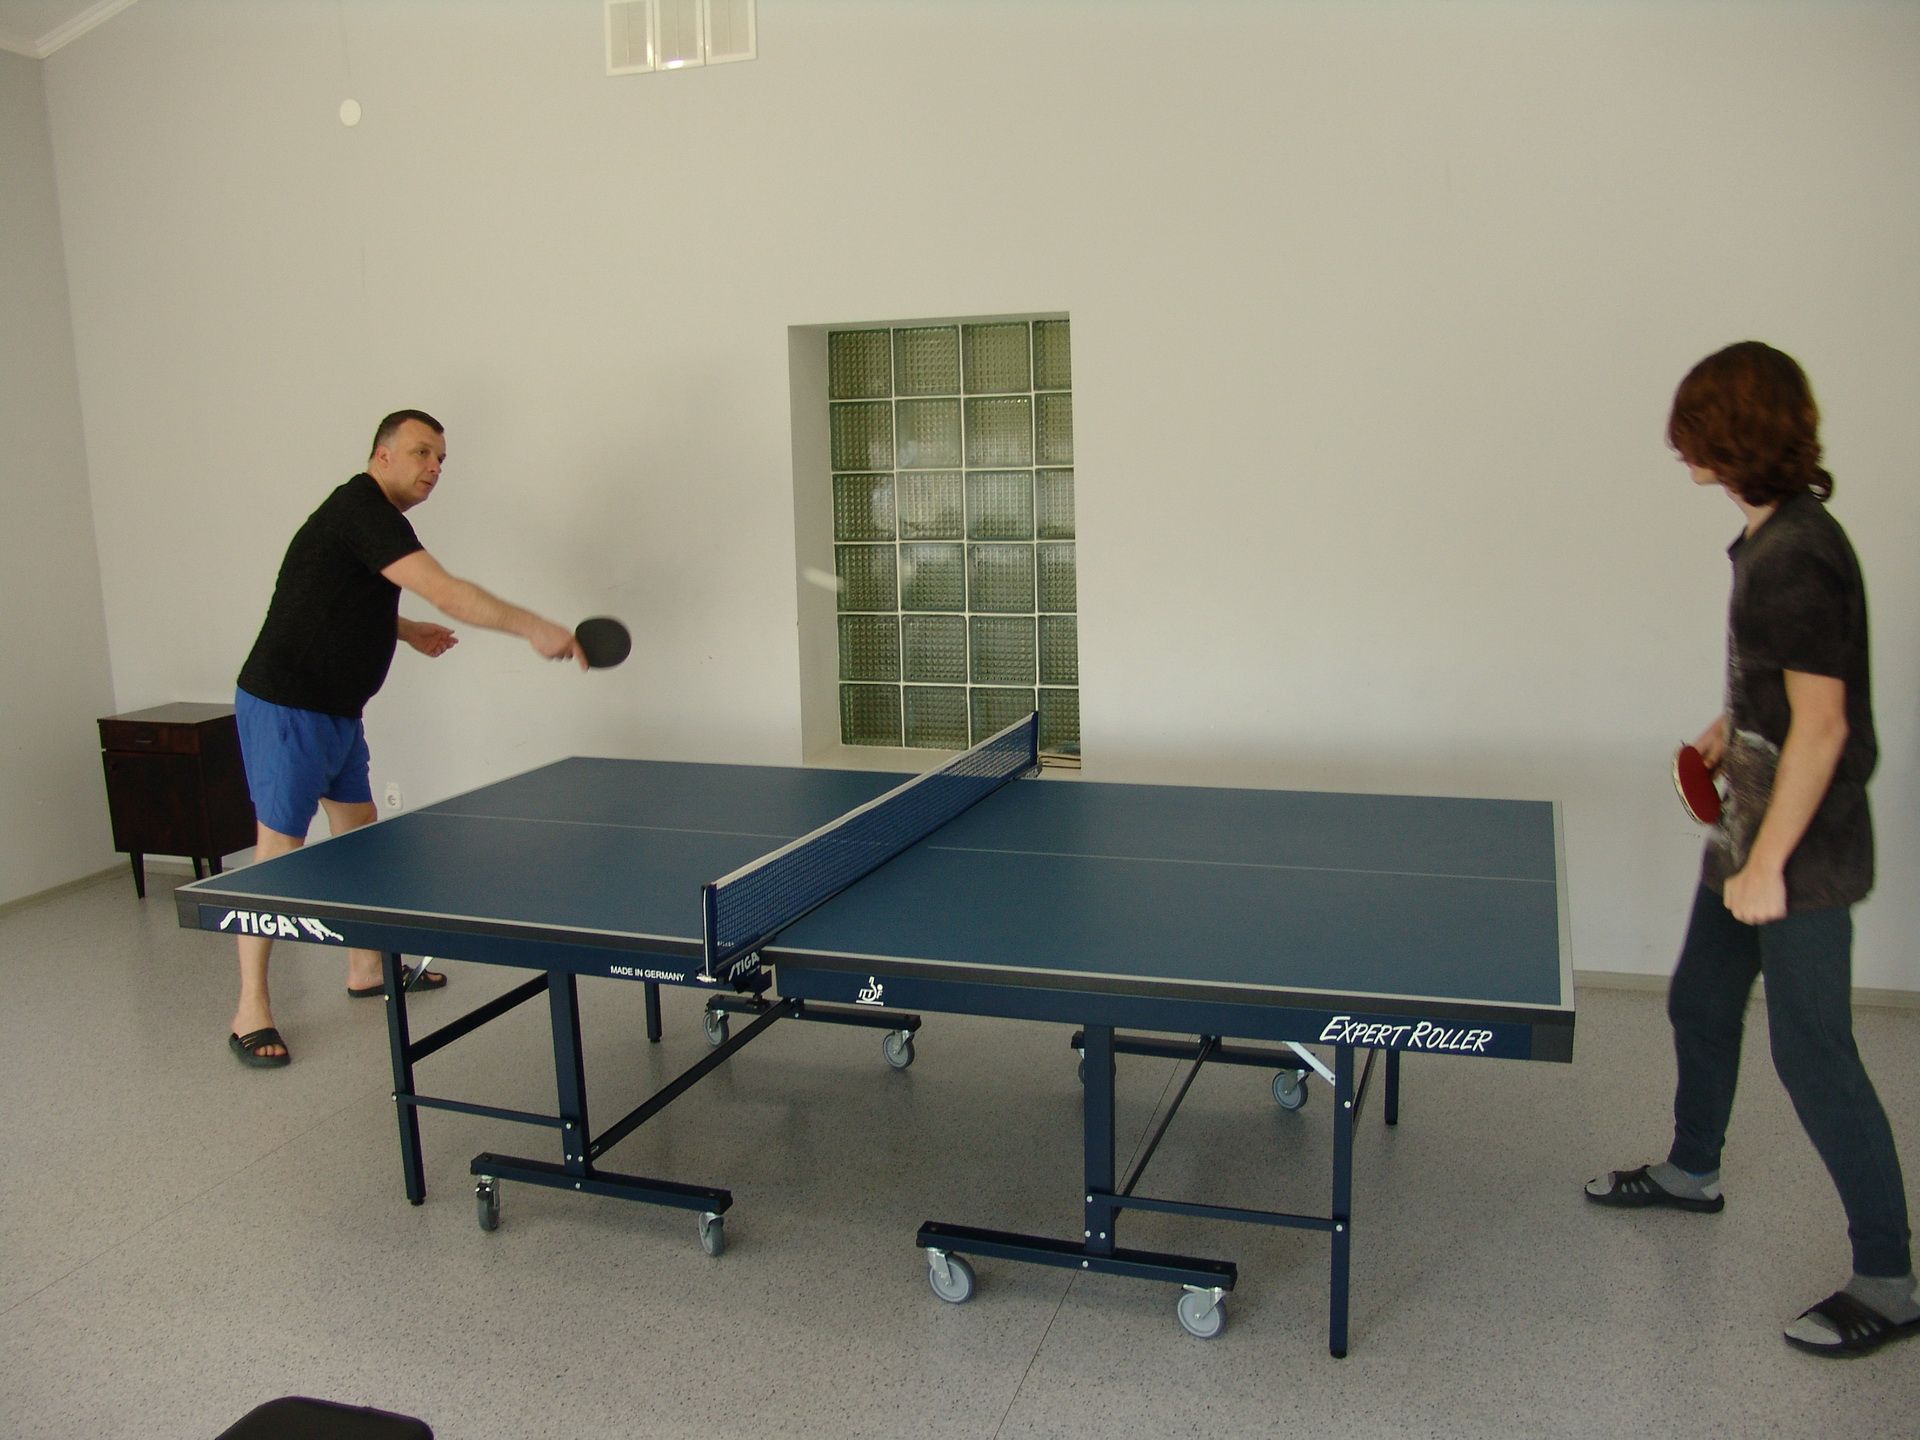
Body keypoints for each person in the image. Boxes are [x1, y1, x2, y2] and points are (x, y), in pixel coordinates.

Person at [1585, 343, 1916, 1356]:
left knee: (1815, 1054)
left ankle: (1892, 1280)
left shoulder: (1798, 555)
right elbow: (1788, 691)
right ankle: (1694, 1171)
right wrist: (1730, 730)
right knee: (1699, 1000)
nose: (1680, 442)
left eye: (1696, 425)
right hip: (1752, 828)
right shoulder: (1775, 538)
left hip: (1798, 852)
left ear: (1737, 437)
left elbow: (1826, 724)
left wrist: (1769, 861)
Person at [227, 409, 585, 1068]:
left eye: (441, 459)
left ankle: (366, 968)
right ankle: (250, 1007)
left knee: (360, 837)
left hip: (338, 712)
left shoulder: (375, 520)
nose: (434, 468)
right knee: (277, 855)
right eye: (422, 452)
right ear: (382, 455)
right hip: (287, 707)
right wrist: (534, 626)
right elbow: (447, 592)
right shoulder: (361, 509)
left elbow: (331, 595)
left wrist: (404, 629)